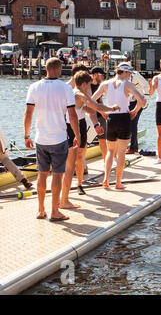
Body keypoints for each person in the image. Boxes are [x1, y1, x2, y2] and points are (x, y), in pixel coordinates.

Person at [24, 58, 79, 222]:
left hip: (41, 138)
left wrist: (26, 135)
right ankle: (55, 211)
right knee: (57, 175)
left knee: (41, 174)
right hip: (59, 138)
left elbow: (28, 113)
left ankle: (41, 210)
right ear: (59, 69)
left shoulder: (34, 87)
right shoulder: (66, 88)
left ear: (46, 68)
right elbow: (72, 114)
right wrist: (77, 135)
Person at [60, 71, 119, 209]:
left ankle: (79, 184)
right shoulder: (78, 93)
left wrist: (96, 125)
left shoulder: (78, 94)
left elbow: (89, 110)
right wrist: (112, 108)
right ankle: (64, 198)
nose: (90, 88)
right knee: (70, 163)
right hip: (70, 127)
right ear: (85, 84)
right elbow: (96, 107)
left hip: (80, 124)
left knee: (80, 157)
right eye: (89, 85)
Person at [91, 63, 147, 189]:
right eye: (129, 74)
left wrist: (102, 111)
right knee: (121, 152)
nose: (129, 77)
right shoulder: (127, 84)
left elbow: (91, 101)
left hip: (111, 118)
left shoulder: (105, 84)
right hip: (124, 118)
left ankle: (105, 179)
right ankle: (118, 183)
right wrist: (135, 111)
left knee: (110, 151)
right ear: (125, 72)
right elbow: (143, 101)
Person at [127, 66, 149, 154]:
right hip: (128, 102)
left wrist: (145, 100)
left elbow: (146, 85)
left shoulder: (135, 75)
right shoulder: (121, 77)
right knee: (129, 123)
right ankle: (134, 146)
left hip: (138, 101)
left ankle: (133, 148)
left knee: (133, 122)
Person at [90, 66, 108, 161]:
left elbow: (100, 101)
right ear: (95, 74)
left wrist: (104, 112)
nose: (103, 77)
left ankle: (106, 161)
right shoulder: (87, 85)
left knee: (103, 140)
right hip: (90, 116)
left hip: (100, 115)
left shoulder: (99, 86)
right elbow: (90, 102)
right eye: (102, 75)